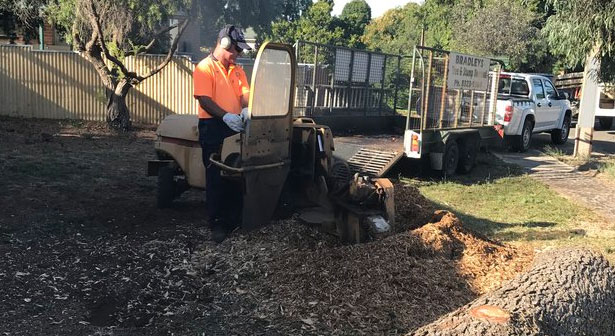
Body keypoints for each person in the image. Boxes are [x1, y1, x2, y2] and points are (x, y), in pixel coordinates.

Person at [193, 25, 252, 243]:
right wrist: (226, 115)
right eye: (236, 49)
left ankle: (234, 219)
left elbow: (245, 93)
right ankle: (217, 223)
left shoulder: (238, 70)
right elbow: (204, 99)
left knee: (236, 172)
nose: (238, 54)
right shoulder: (204, 68)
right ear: (224, 44)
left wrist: (246, 108)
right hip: (213, 126)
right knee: (216, 176)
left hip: (235, 127)